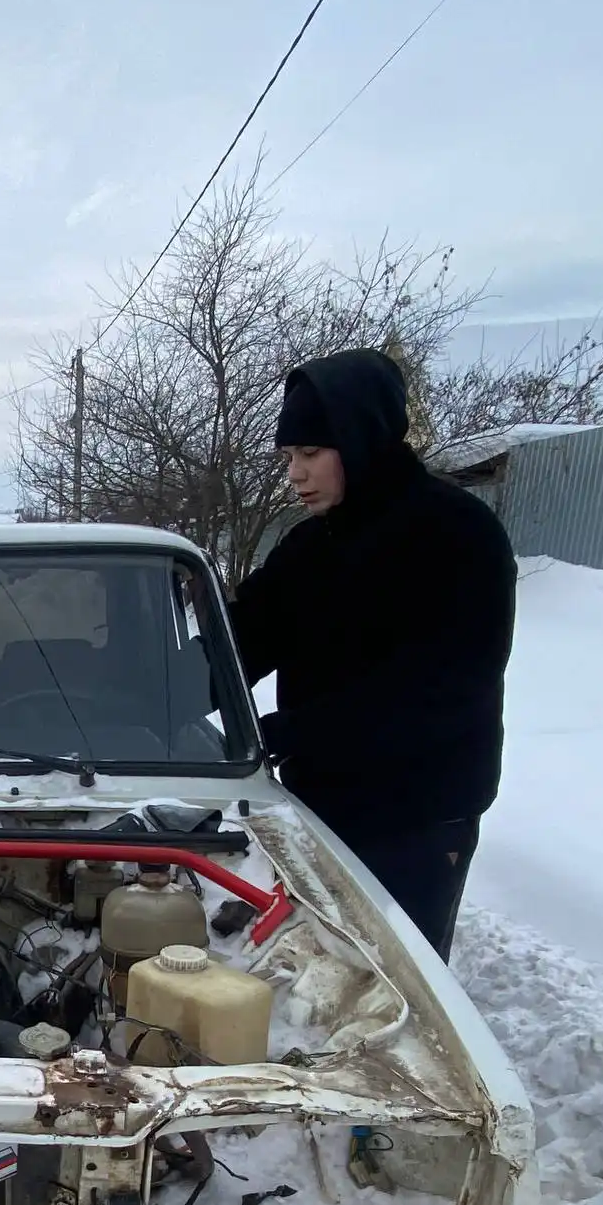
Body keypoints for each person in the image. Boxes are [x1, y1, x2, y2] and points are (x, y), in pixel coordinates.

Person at [229, 346, 516, 957]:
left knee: (396, 985)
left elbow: (444, 691)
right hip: (322, 805)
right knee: (317, 973)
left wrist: (289, 730)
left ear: (361, 440)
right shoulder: (309, 548)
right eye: (288, 457)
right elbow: (240, 644)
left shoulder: (459, 538)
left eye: (310, 453)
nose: (295, 475)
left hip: (419, 818)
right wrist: (140, 691)